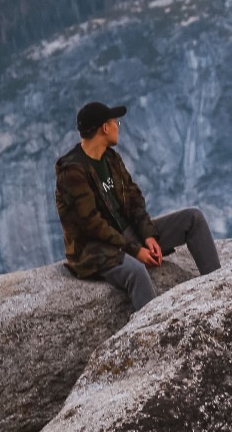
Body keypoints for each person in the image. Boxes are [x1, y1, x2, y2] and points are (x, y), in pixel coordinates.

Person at [55, 101, 220, 310]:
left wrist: (149, 235)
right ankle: (152, 336)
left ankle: (219, 291)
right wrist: (135, 250)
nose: (117, 127)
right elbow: (92, 226)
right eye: (115, 122)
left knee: (192, 219)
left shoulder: (110, 158)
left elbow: (133, 198)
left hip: (127, 235)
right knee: (136, 272)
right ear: (105, 128)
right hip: (94, 249)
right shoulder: (72, 172)